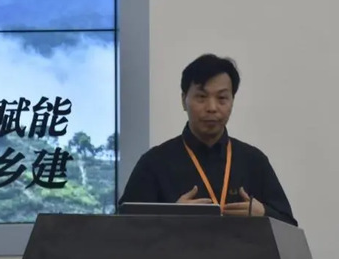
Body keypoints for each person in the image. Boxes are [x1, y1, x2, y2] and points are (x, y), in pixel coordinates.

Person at [119, 53, 298, 226]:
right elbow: (122, 231)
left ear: (232, 101)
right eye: (201, 97)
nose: (212, 107)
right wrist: (169, 218)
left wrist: (264, 214)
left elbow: (290, 227)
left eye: (222, 98)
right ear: (183, 100)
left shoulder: (254, 161)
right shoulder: (154, 162)